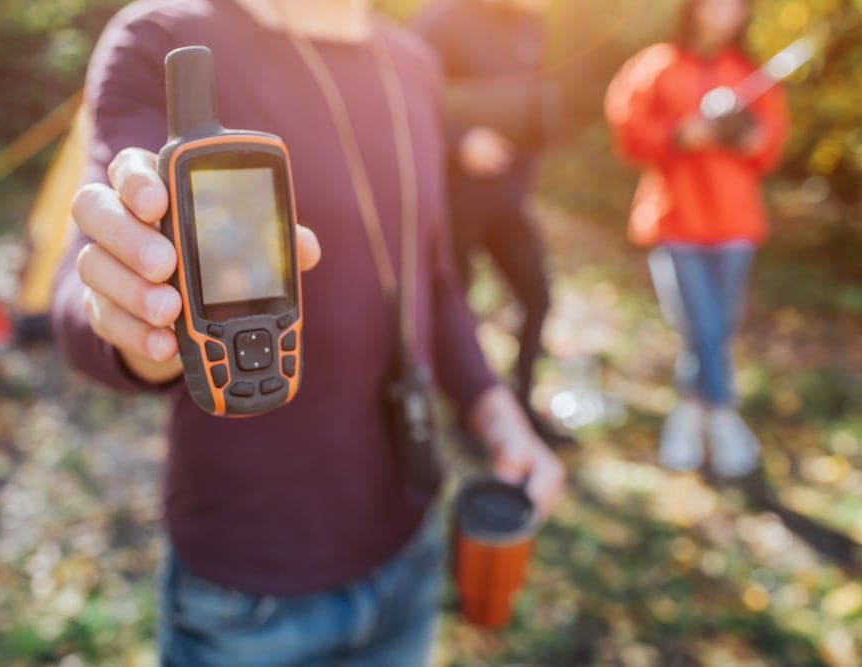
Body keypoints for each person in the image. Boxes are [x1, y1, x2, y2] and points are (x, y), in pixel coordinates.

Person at [51, 0, 565, 664]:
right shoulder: (167, 37)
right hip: (249, 590)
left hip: (411, 544)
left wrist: (496, 412)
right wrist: (138, 319)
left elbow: (430, 280)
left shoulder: (413, 62)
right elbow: (84, 280)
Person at [605, 0, 788, 478]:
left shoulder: (749, 74)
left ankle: (688, 414)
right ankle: (723, 415)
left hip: (734, 224)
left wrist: (752, 139)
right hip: (675, 219)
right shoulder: (657, 65)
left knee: (714, 330)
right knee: (701, 326)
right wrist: (677, 134)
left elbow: (771, 142)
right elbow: (628, 129)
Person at [414, 0, 568, 444]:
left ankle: (521, 402)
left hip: (507, 199)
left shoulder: (530, 25)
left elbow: (530, 96)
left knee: (536, 296)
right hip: (452, 199)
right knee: (460, 306)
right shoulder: (443, 20)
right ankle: (469, 416)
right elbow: (406, 94)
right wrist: (460, 139)